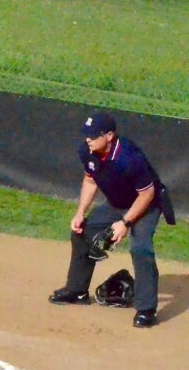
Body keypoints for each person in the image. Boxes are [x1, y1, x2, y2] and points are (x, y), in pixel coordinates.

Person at [48, 112, 172, 328]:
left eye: (93, 135)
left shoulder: (129, 157)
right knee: (81, 232)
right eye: (87, 134)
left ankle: (146, 309)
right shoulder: (87, 152)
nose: (88, 139)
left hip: (146, 205)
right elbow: (90, 181)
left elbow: (147, 194)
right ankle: (77, 291)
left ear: (109, 136)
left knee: (140, 248)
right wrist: (80, 212)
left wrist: (125, 223)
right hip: (117, 203)